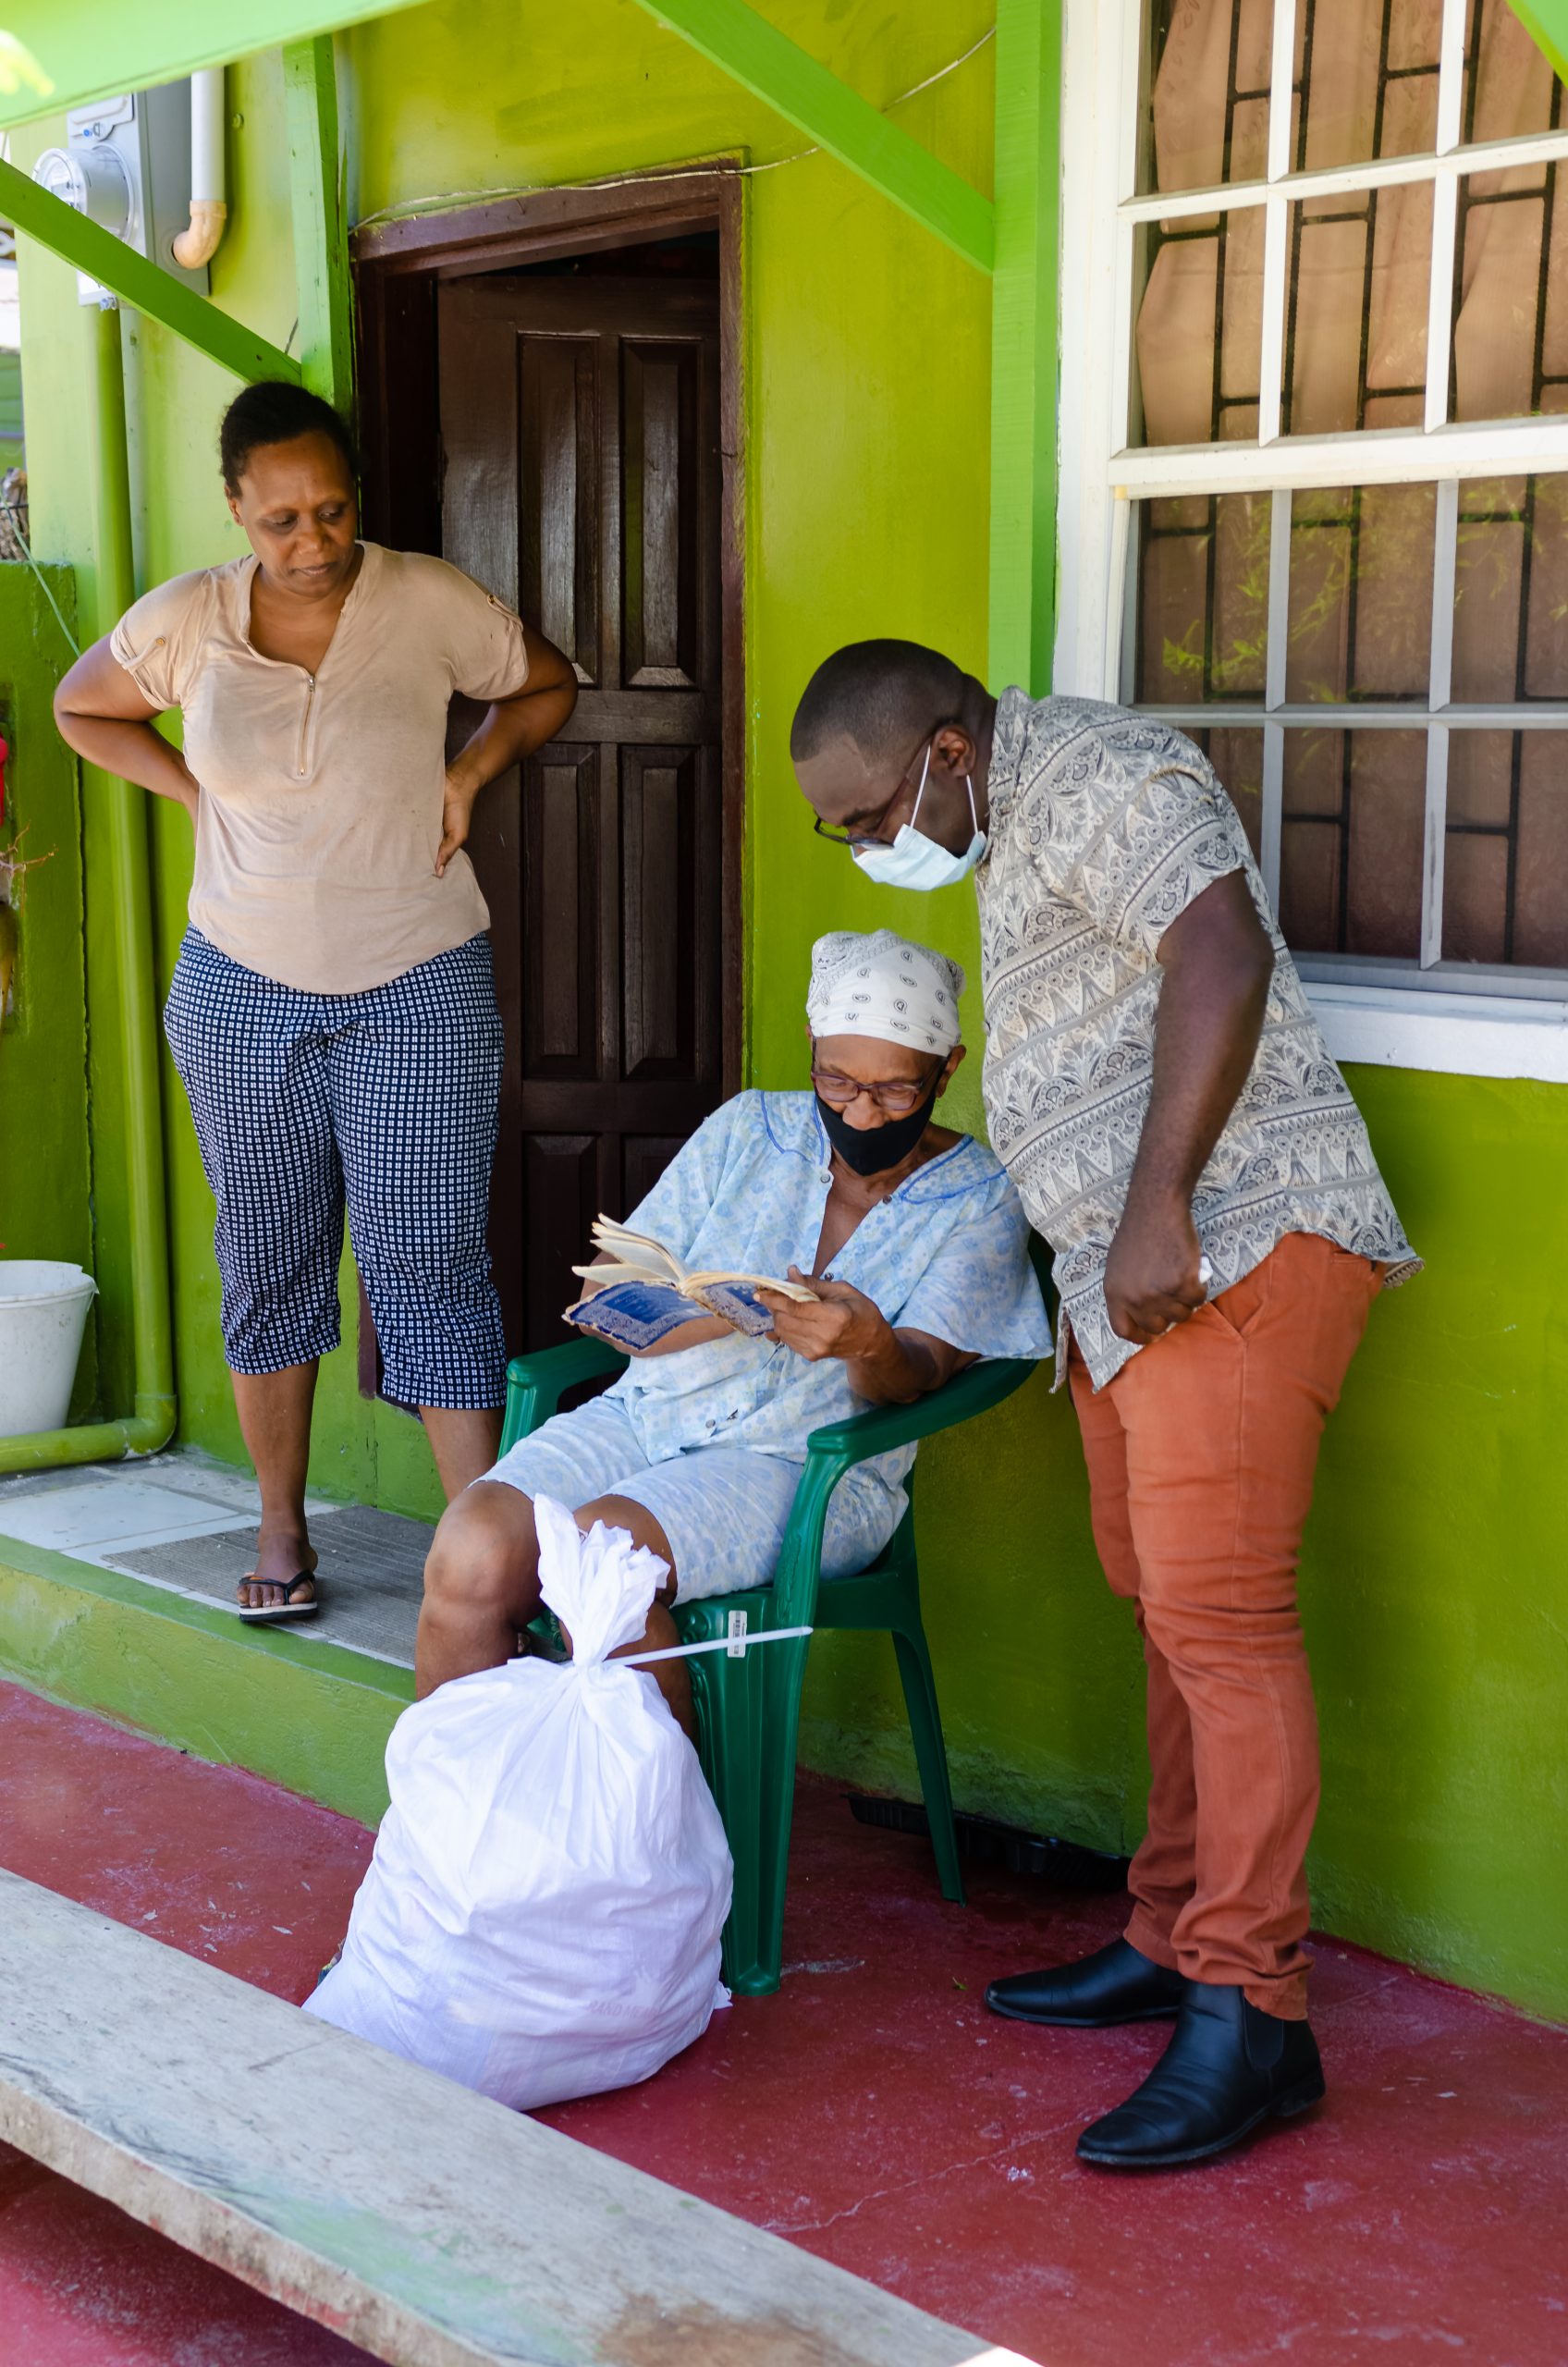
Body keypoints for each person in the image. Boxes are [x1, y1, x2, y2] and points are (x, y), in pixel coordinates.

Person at [791, 641, 1420, 2171]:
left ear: (947, 751)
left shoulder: (1100, 772)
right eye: (843, 838)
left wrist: (1153, 1212)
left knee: (1222, 1616)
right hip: (1132, 1295)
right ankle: (1172, 1928)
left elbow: (1220, 951)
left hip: (1231, 1249)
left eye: (875, 815)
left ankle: (1253, 2008)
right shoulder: (1014, 821)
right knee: (1166, 1610)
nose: (876, 850)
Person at [52, 381, 579, 1623]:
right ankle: (282, 1529)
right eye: (281, 519)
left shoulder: (427, 599)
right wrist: (193, 796)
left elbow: (542, 685)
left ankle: (478, 1570)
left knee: (427, 1260)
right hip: (240, 984)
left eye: (330, 512)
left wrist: (473, 765)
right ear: (236, 509)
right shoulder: (188, 620)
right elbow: (84, 707)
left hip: (417, 978)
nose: (311, 542)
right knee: (269, 1256)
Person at [417, 926, 1051, 1729]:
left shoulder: (978, 1195)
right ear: (813, 1049)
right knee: (470, 1550)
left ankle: (669, 1846)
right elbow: (623, 1293)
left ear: (946, 1069)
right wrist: (720, 1311)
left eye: (894, 1091)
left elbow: (921, 1373)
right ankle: (467, 1834)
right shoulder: (749, 1128)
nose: (860, 1109)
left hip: (805, 1466)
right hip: (646, 1417)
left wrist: (868, 1345)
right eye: (837, 1080)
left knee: (604, 1563)